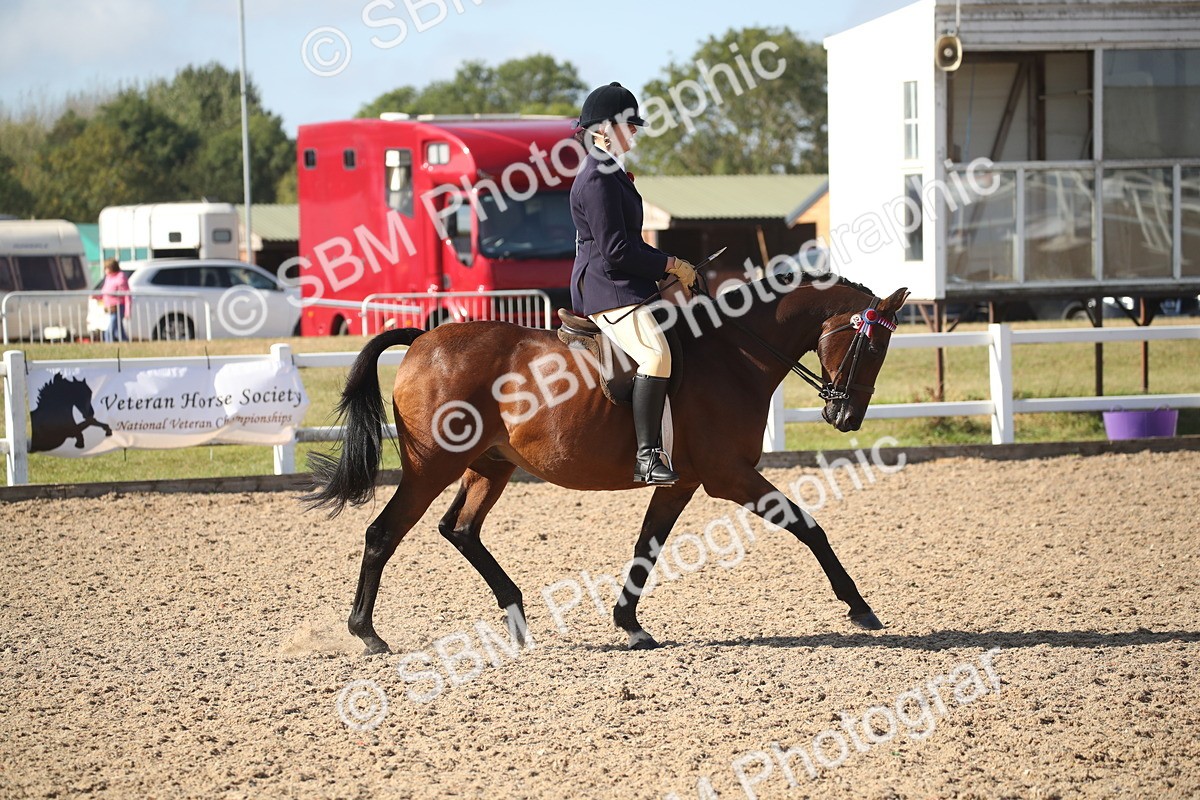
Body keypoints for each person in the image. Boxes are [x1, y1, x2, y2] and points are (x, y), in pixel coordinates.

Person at [569, 82, 698, 486]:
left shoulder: (611, 173)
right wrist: (670, 264)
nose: (635, 132)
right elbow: (616, 251)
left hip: (623, 283)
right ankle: (646, 456)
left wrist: (672, 269)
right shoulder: (597, 178)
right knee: (656, 356)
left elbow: (631, 244)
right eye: (629, 125)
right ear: (604, 129)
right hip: (607, 288)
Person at [99, 258, 131, 342]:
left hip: (118, 307)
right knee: (118, 330)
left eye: (107, 268)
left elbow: (127, 294)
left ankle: (108, 344)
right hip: (109, 307)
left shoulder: (121, 277)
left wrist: (127, 311)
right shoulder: (108, 277)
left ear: (112, 268)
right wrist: (97, 297)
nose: (105, 270)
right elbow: (104, 291)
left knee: (110, 330)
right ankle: (125, 342)